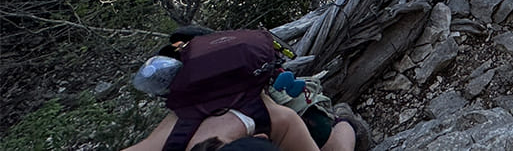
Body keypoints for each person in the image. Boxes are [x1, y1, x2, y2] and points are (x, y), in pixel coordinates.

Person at [121, 93, 363, 151]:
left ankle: (344, 120)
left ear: (261, 138)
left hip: (284, 102)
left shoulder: (281, 120)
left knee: (335, 146)